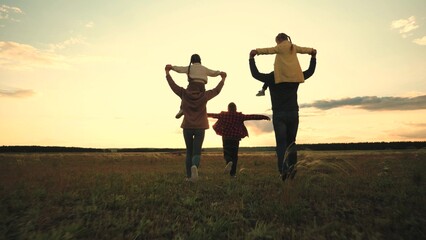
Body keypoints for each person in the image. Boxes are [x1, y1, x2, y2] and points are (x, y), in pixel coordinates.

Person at [249, 48, 317, 181]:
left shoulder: (271, 77)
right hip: (293, 112)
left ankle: (283, 171)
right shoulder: (294, 77)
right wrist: (313, 58)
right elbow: (309, 72)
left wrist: (251, 59)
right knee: (291, 143)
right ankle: (292, 170)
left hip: (279, 113)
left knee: (281, 144)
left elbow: (255, 74)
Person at [165, 64, 226, 182]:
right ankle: (194, 169)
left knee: (189, 151)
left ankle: (188, 176)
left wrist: (168, 73)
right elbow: (216, 90)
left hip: (187, 126)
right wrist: (222, 79)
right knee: (197, 150)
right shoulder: (204, 95)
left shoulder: (184, 93)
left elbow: (173, 86)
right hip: (201, 126)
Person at [207, 103, 270, 177]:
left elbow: (212, 115)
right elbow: (251, 116)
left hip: (226, 138)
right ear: (235, 108)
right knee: (234, 156)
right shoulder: (239, 116)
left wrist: (198, 113)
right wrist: (263, 117)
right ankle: (232, 174)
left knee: (227, 153)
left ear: (228, 108)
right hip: (235, 139)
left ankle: (229, 162)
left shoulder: (223, 115)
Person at [251, 33, 316, 96]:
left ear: (279, 40)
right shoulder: (293, 47)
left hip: (281, 77)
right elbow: (303, 50)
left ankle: (263, 90)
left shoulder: (280, 47)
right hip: (293, 76)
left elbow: (269, 50)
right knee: (271, 76)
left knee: (271, 76)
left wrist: (256, 51)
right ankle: (263, 90)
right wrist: (312, 52)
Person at [167, 54, 225, 118]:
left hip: (192, 85)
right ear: (200, 60)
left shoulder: (190, 68)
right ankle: (199, 112)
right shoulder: (204, 68)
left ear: (191, 61)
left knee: (185, 95)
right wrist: (219, 73)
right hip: (201, 87)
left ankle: (182, 108)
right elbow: (212, 72)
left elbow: (180, 69)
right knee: (201, 99)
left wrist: (172, 67)